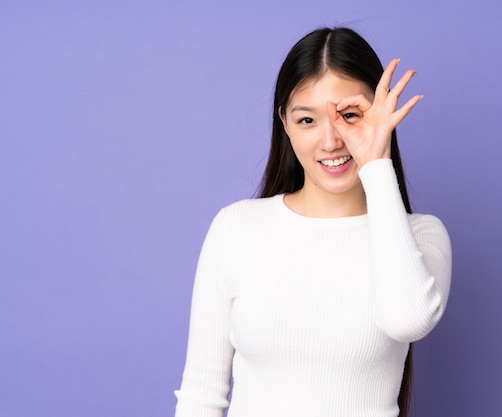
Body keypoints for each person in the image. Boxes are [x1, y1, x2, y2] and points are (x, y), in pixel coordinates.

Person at [174, 27, 452, 417]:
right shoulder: (235, 229)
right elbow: (201, 395)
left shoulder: (421, 236)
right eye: (307, 120)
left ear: (381, 118)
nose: (331, 141)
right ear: (284, 124)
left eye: (350, 116)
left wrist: (375, 162)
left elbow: (407, 321)